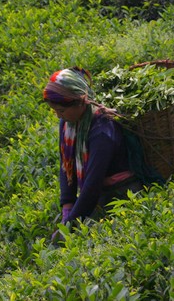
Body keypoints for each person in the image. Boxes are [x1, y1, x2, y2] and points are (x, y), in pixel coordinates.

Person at [43, 67, 145, 227]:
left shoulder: (102, 131)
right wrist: (67, 204)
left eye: (61, 110)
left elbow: (92, 184)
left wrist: (70, 224)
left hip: (121, 190)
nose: (58, 115)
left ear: (80, 102)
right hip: (97, 190)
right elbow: (66, 165)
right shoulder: (68, 123)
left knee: (92, 228)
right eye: (55, 111)